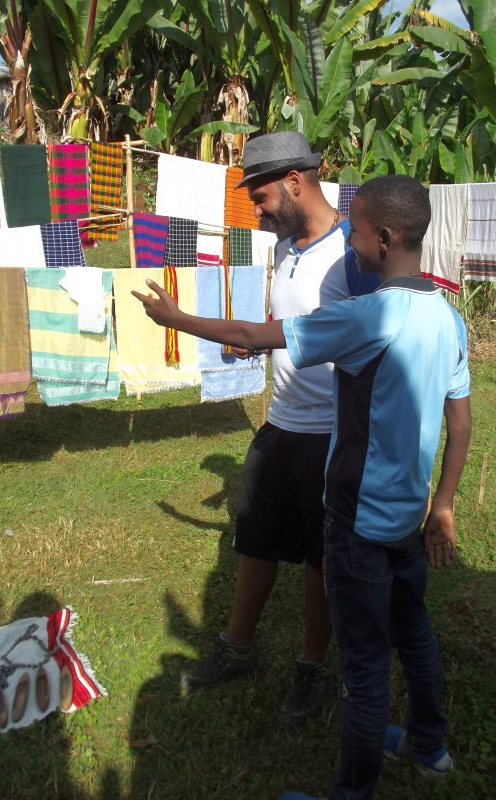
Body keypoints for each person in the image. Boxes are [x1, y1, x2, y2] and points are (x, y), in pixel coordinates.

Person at [133, 173, 471, 799]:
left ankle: (351, 791)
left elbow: (253, 337)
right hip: (407, 519)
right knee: (414, 633)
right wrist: (443, 507)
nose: (351, 238)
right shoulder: (448, 317)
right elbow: (460, 419)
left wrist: (176, 316)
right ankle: (431, 747)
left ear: (385, 237)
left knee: (364, 663)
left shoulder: (367, 316)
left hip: (357, 523)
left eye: (359, 228)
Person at [173, 131, 380, 730]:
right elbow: (287, 327)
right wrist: (261, 350)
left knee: (320, 562)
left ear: (295, 182)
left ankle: (312, 668)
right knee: (254, 544)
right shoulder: (286, 248)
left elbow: (370, 345)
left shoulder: (353, 253)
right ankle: (237, 649)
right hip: (280, 425)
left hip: (329, 438)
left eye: (260, 197)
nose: (256, 211)